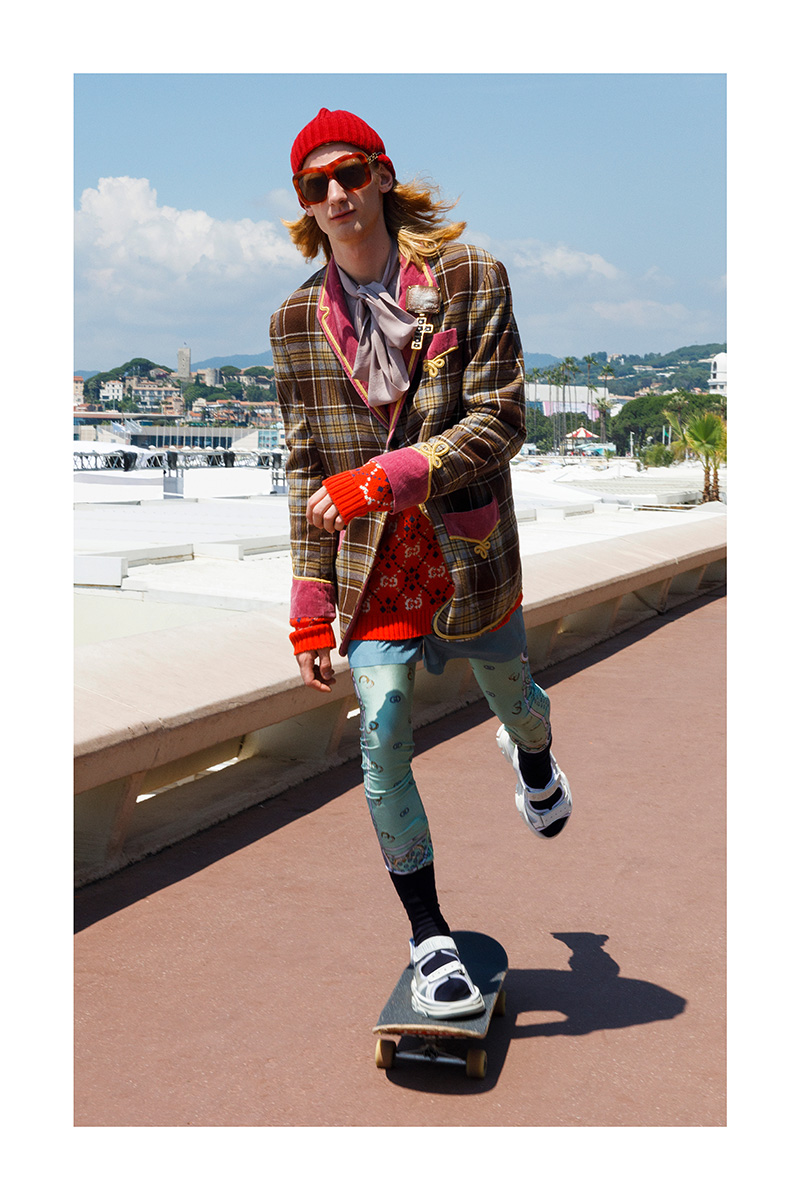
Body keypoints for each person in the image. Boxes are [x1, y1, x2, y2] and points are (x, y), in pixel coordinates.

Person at [270, 108, 572, 1019]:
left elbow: (502, 420)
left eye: (350, 173)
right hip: (372, 571)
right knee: (383, 732)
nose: (337, 194)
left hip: (467, 554)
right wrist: (308, 602)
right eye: (316, 184)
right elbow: (304, 466)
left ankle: (535, 759)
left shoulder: (471, 276)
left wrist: (388, 476)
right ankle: (429, 935)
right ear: (305, 204)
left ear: (383, 174)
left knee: (516, 701)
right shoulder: (294, 323)